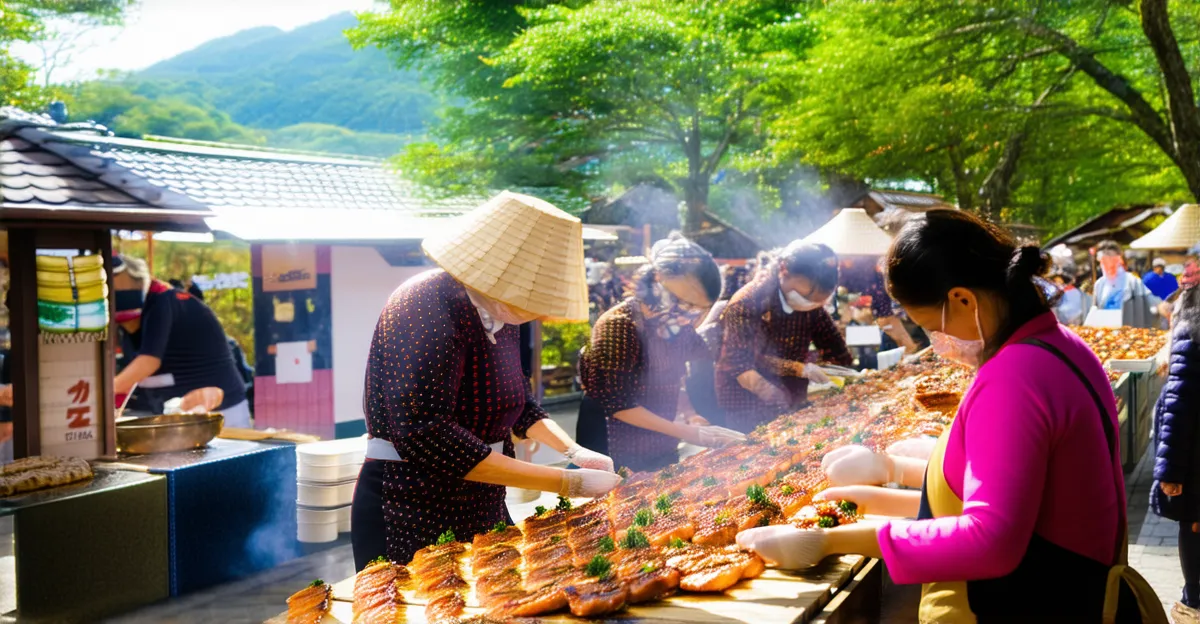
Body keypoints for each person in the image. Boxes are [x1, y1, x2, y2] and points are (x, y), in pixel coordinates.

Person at [738, 210, 1157, 622]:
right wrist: (890, 484)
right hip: (1077, 588)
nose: (936, 342)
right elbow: (1022, 497)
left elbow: (990, 539)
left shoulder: (1014, 377)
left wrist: (831, 541)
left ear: (962, 299)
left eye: (928, 325)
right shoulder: (1061, 344)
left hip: (1032, 603)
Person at [351, 192, 619, 569]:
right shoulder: (423, 303)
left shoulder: (502, 315)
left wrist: (574, 452)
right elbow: (426, 433)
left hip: (481, 498)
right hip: (409, 501)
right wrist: (564, 483)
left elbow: (520, 405)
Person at [577, 234, 745, 472]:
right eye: (684, 302)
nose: (690, 315)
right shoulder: (618, 325)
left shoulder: (678, 327)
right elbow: (619, 405)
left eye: (699, 309)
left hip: (660, 440)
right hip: (612, 442)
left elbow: (677, 378)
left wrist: (690, 414)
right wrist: (689, 432)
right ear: (658, 279)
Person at [715, 241, 853, 433]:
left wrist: (845, 375)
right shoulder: (747, 302)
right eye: (807, 296)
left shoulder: (813, 306)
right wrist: (785, 397)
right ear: (783, 269)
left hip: (794, 396)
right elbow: (743, 368)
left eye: (819, 301)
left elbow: (835, 348)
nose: (811, 305)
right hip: (746, 402)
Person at [112, 255, 252, 426]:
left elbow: (148, 362)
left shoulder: (163, 299)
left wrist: (102, 392)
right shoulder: (134, 310)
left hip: (219, 409)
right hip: (176, 411)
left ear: (137, 281)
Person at [1151, 261, 1200, 624]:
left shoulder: (1189, 332)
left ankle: (1193, 604)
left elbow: (1179, 406)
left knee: (1194, 526)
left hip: (1195, 459)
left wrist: (1169, 472)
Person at [1094, 240, 1160, 328]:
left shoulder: (1132, 281)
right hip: (1105, 331)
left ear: (1119, 259)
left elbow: (1152, 302)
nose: (1108, 264)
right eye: (1104, 260)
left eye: (1111, 259)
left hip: (1128, 329)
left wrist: (1161, 307)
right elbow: (1095, 309)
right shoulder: (1099, 284)